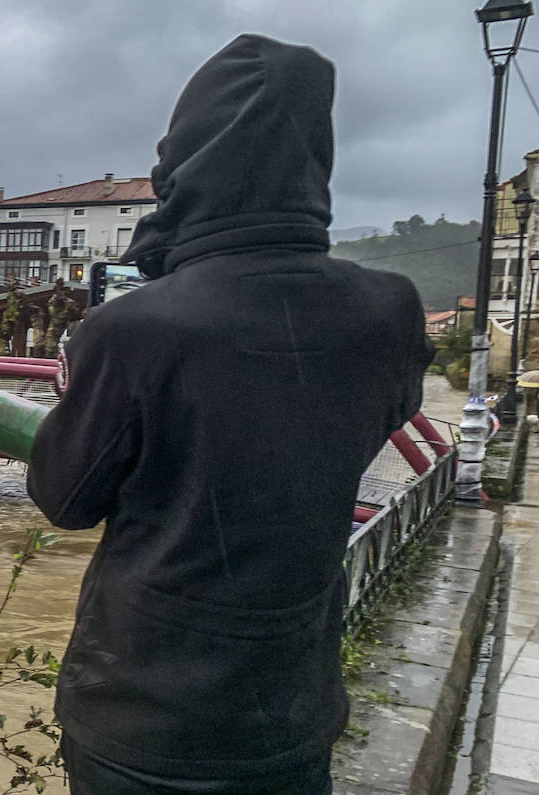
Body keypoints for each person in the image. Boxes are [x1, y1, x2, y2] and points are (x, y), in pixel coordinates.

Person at [26, 34, 433, 793]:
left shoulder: (136, 329)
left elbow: (65, 498)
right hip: (289, 708)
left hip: (141, 719)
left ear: (185, 158)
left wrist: (80, 381)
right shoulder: (390, 310)